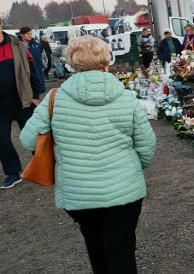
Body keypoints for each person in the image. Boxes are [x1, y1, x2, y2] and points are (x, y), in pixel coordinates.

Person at [20, 35, 156, 273]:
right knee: (121, 248)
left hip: (78, 191)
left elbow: (28, 138)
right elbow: (146, 146)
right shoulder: (126, 98)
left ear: (72, 62)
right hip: (124, 189)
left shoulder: (55, 98)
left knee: (94, 244)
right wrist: (134, 169)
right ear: (106, 59)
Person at [0, 20, 43, 189]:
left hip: (22, 100)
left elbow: (33, 71)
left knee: (34, 135)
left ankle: (42, 166)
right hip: (1, 106)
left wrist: (35, 95)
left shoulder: (18, 46)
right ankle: (12, 173)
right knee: (1, 139)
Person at [19, 27, 46, 95]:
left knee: (37, 95)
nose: (30, 35)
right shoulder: (17, 46)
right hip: (24, 74)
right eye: (28, 34)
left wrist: (43, 66)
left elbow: (43, 56)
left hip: (37, 72)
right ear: (22, 35)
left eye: (31, 33)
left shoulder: (37, 45)